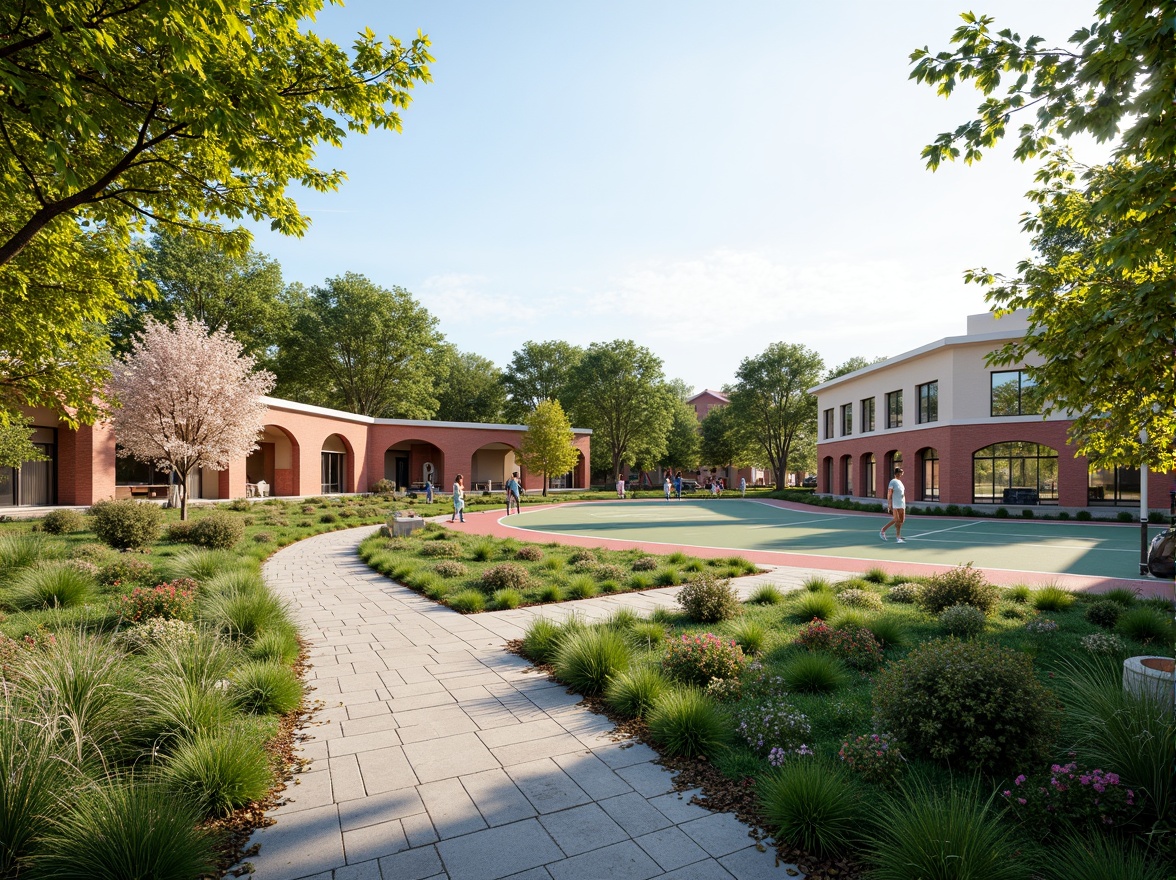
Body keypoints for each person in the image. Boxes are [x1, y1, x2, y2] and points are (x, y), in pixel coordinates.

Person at [880, 467, 906, 543]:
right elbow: (889, 493)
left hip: (902, 503)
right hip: (895, 503)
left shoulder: (900, 482)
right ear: (896, 473)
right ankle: (898, 537)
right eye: (900, 473)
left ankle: (883, 530)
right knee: (897, 520)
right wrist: (889, 504)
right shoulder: (892, 482)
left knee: (901, 520)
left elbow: (903, 493)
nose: (901, 474)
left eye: (901, 473)